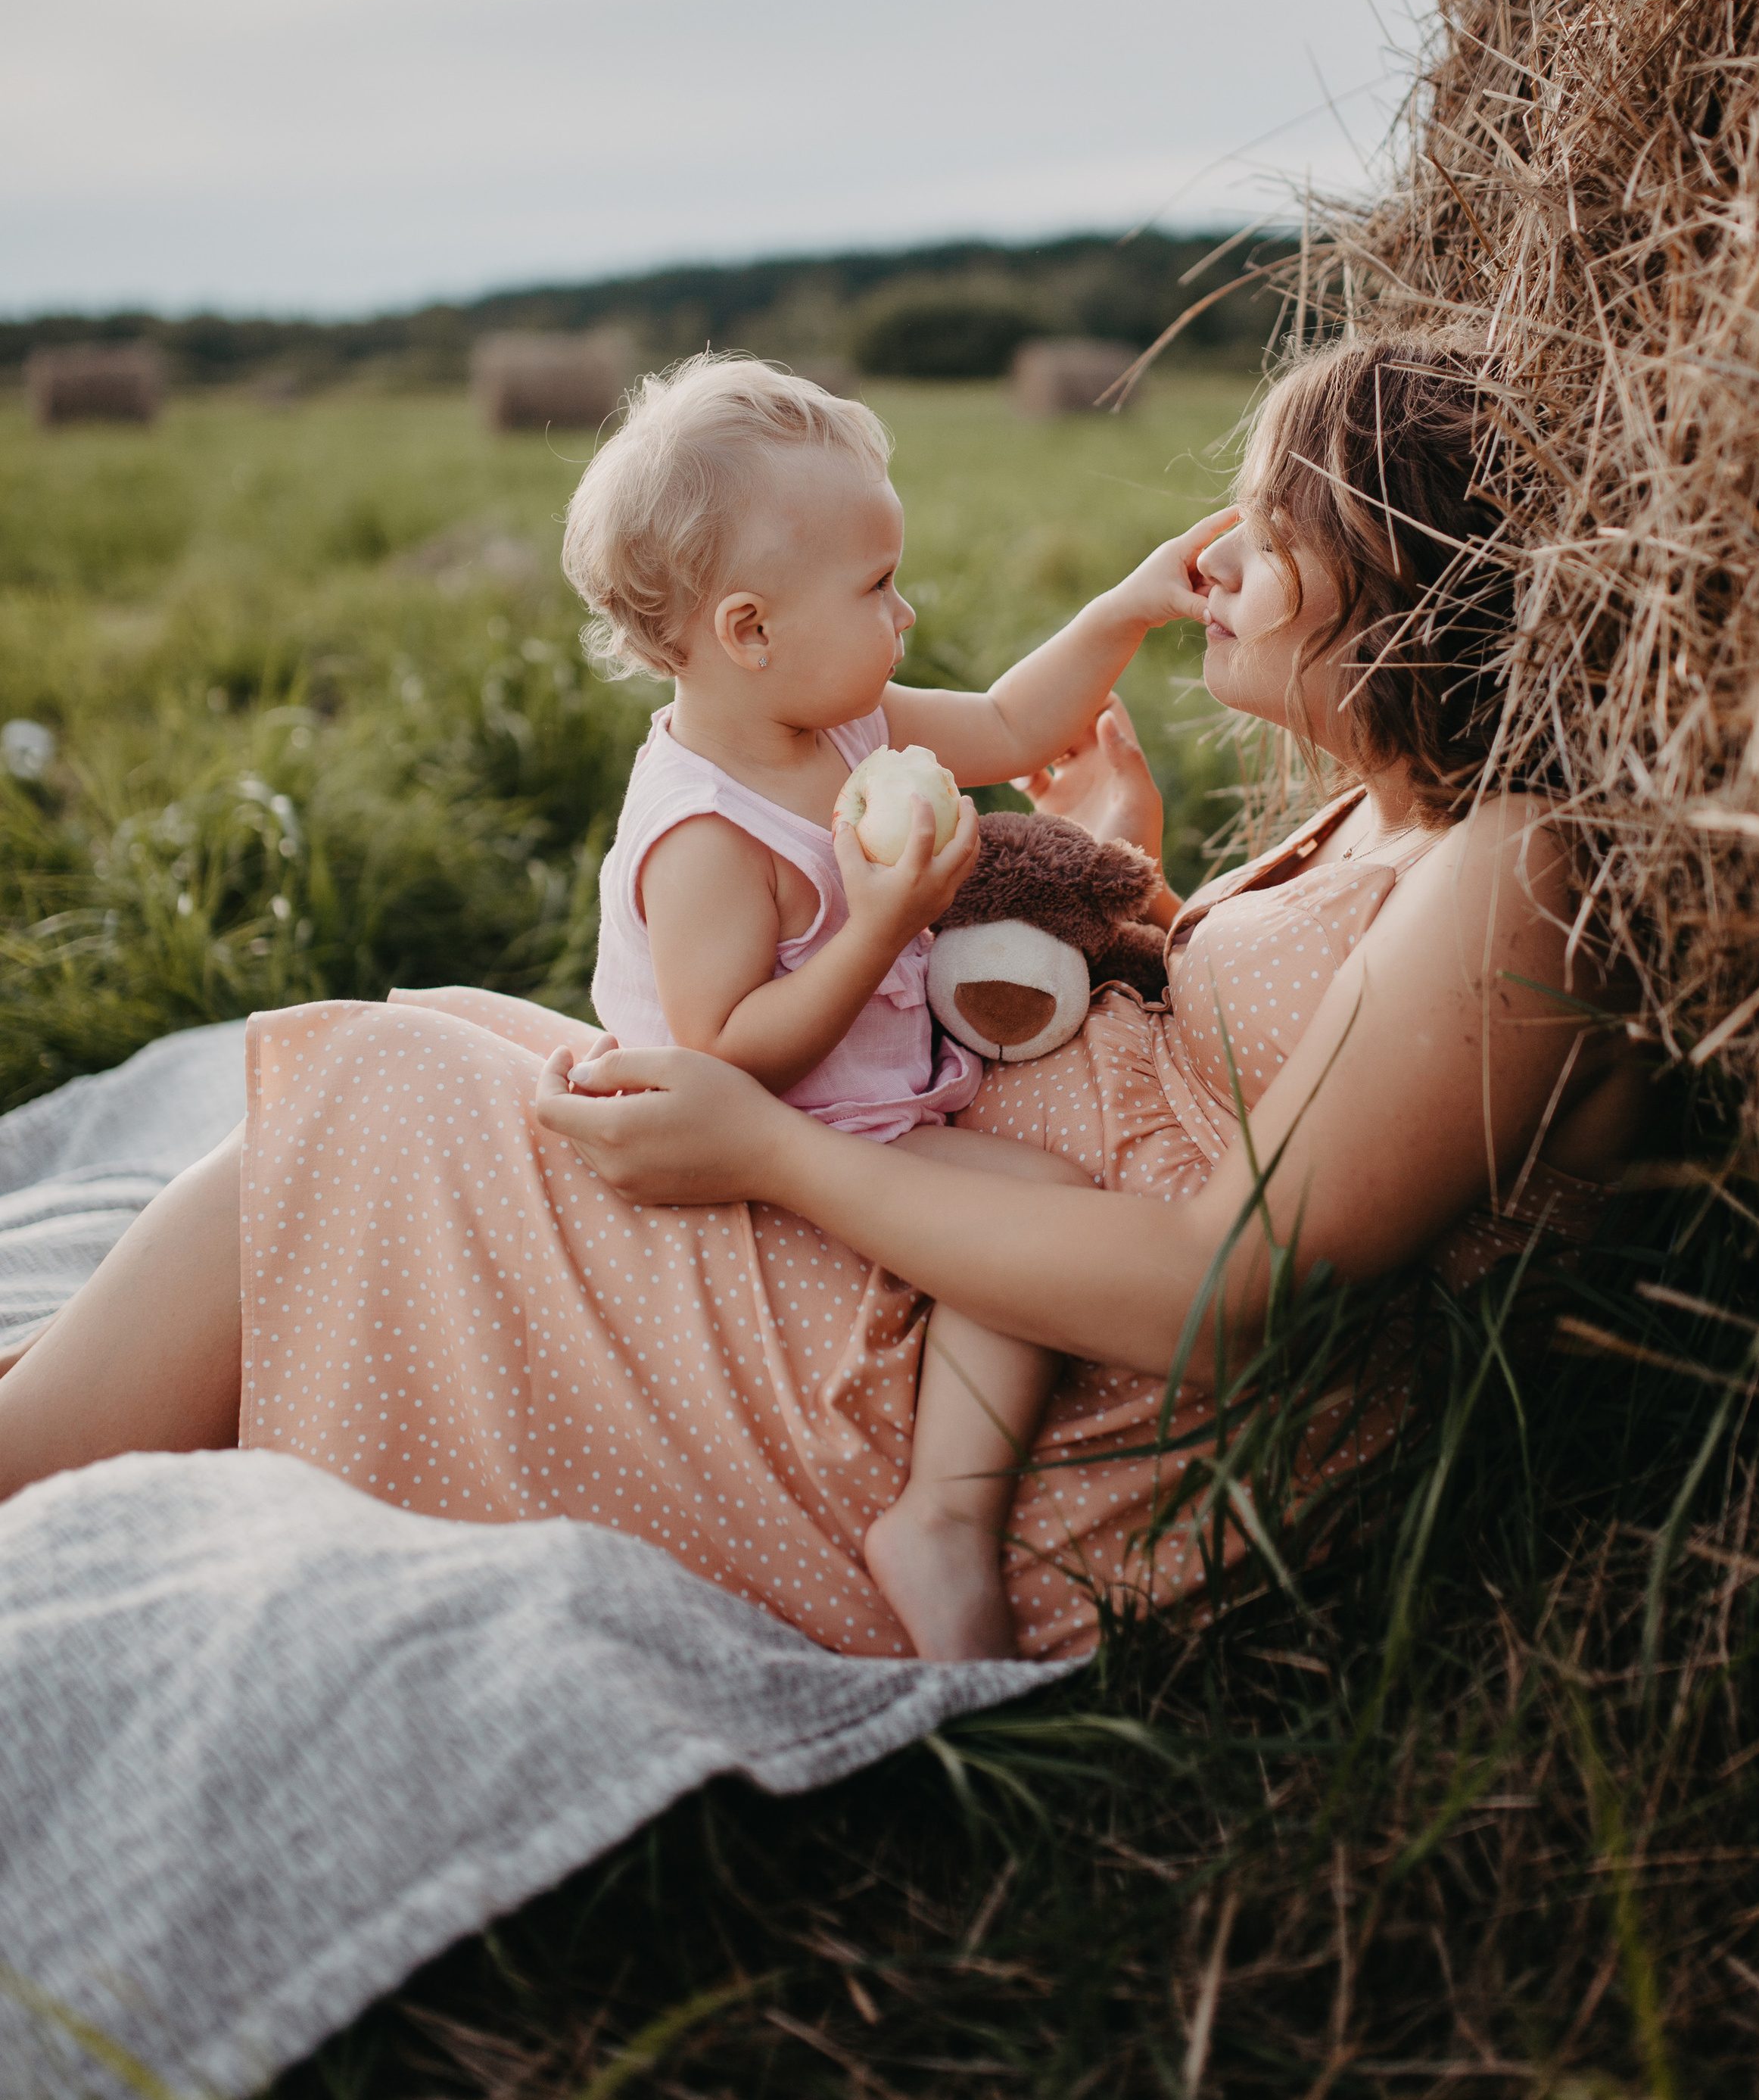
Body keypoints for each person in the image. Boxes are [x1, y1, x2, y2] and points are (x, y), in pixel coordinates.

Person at [0, 336, 1651, 1668]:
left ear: (1400, 576)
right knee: (422, 1059)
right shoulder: (1398, 809)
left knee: (393, 1102)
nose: (1216, 559)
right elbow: (1245, 1060)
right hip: (947, 1230)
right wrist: (1122, 876)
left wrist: (774, 1160)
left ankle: (42, 1457)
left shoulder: (1518, 868)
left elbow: (1239, 1293)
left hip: (1072, 1403)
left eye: (1273, 530)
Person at [555, 351, 1229, 1656]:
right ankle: (943, 1518)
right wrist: (885, 928)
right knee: (1039, 1211)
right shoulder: (704, 835)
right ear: (750, 631)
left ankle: (946, 1510)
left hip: (860, 1102)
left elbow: (1007, 718)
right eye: (876, 588)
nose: (905, 614)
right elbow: (726, 1055)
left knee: (1035, 1197)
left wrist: (1123, 611)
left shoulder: (846, 726)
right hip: (759, 1139)